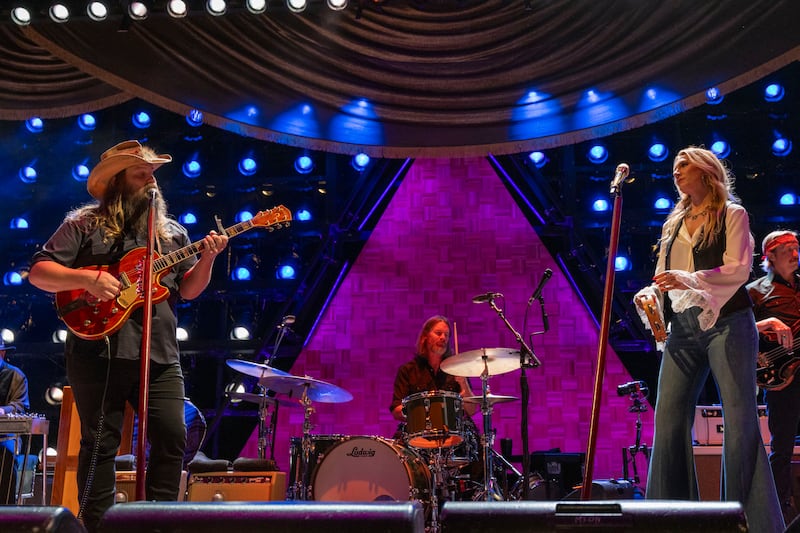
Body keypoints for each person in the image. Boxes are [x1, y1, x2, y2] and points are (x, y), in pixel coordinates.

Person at [28, 140, 228, 531]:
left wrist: (208, 258)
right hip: (97, 350)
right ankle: (99, 526)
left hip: (159, 354)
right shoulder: (83, 224)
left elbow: (187, 290)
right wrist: (86, 278)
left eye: (153, 173)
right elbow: (39, 274)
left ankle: (157, 522)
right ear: (117, 180)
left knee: (173, 436)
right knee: (100, 442)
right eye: (141, 173)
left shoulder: (171, 235)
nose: (151, 181)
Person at [634, 146, 783, 533]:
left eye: (683, 166)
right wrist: (650, 294)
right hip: (682, 328)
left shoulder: (732, 214)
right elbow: (662, 275)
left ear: (705, 171)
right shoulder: (674, 222)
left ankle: (748, 522)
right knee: (667, 419)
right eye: (674, 168)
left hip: (727, 322)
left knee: (740, 421)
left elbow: (738, 268)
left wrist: (690, 279)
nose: (676, 172)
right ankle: (668, 520)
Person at [747, 230, 800, 523]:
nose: (795, 254)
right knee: (782, 448)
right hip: (780, 375)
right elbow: (734, 330)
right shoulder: (755, 291)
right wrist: (767, 322)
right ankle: (779, 513)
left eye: (797, 248)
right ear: (770, 256)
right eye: (788, 249)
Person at [0, 341, 30, 504]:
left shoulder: (16, 375)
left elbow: (20, 405)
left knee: (6, 455)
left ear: (2, 353)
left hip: (6, 436)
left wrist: (4, 410)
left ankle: (5, 512)